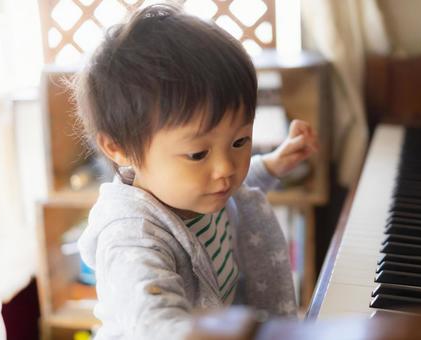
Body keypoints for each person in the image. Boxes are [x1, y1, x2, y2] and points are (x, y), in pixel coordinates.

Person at [75, 4, 318, 340]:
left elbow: (240, 187)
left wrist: (273, 164)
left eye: (239, 141)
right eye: (198, 153)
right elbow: (152, 315)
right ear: (118, 146)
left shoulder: (196, 189)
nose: (225, 170)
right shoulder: (131, 236)